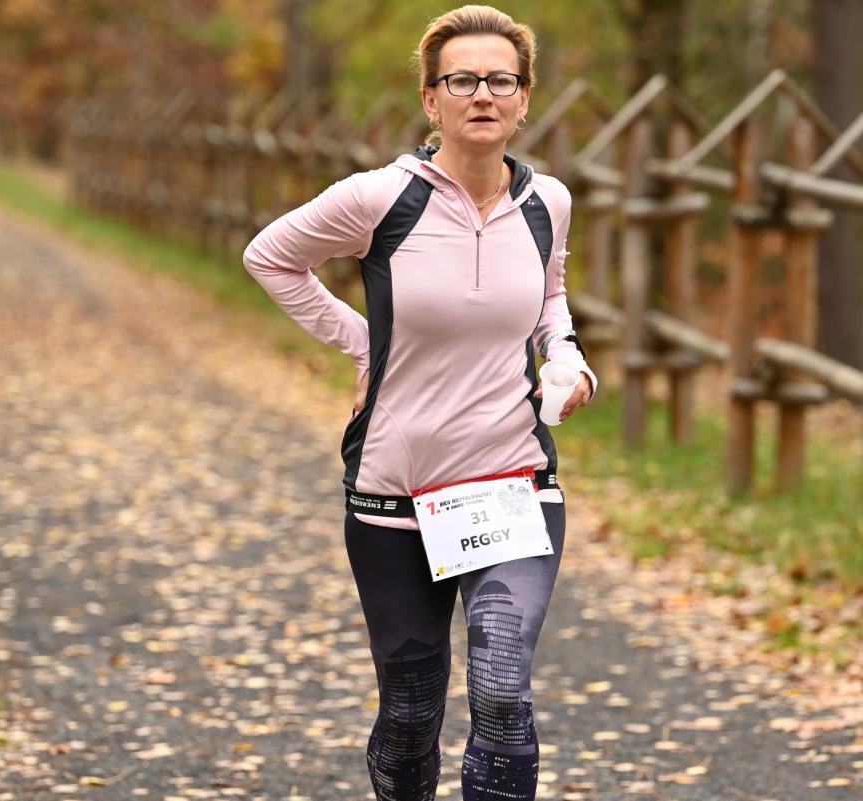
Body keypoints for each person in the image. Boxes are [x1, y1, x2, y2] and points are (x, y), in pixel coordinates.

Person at [241, 5, 598, 799]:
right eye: (462, 80)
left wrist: (567, 358)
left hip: (511, 482)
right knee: (410, 711)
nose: (483, 94)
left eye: (501, 80)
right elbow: (270, 257)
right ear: (431, 99)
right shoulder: (381, 197)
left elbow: (551, 299)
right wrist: (365, 342)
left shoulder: (548, 202)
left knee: (502, 687)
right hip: (395, 489)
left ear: (525, 98)